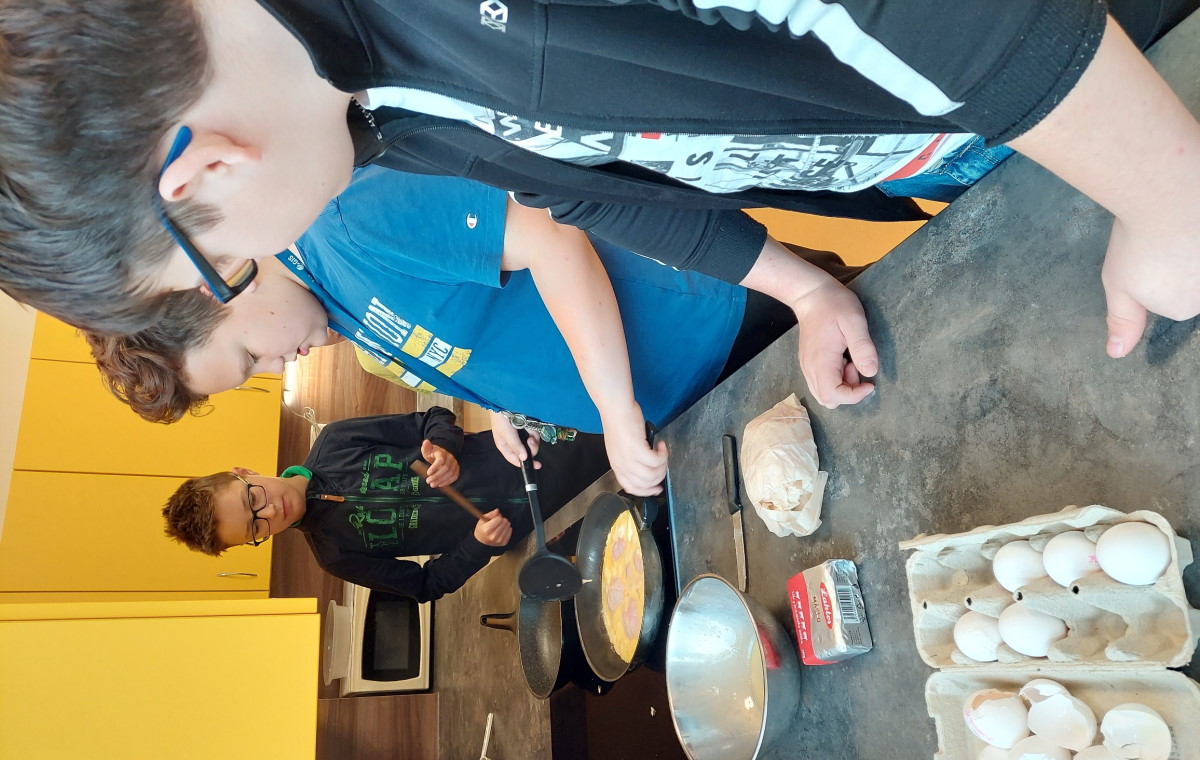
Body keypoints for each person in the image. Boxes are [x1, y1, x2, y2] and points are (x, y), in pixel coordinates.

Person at [4, 2, 1198, 383]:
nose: (254, 262)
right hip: (1005, 150)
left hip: (1127, 73)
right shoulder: (366, 111)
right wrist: (797, 285)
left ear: (203, 171)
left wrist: (1171, 193)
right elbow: (595, 193)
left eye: (216, 265)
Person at [90, 167, 865, 494]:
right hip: (689, 391)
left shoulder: (350, 220)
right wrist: (497, 401)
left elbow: (551, 238)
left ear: (223, 284)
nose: (275, 367)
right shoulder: (331, 306)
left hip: (723, 315)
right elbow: (462, 317)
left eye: (249, 357)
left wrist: (614, 405)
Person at [161, 408, 610, 603]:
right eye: (255, 528)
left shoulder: (337, 441)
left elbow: (433, 418)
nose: (270, 513)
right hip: (542, 525)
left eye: (253, 499)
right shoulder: (335, 556)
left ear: (245, 472)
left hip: (531, 449)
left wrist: (444, 448)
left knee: (628, 427)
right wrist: (477, 545)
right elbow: (426, 585)